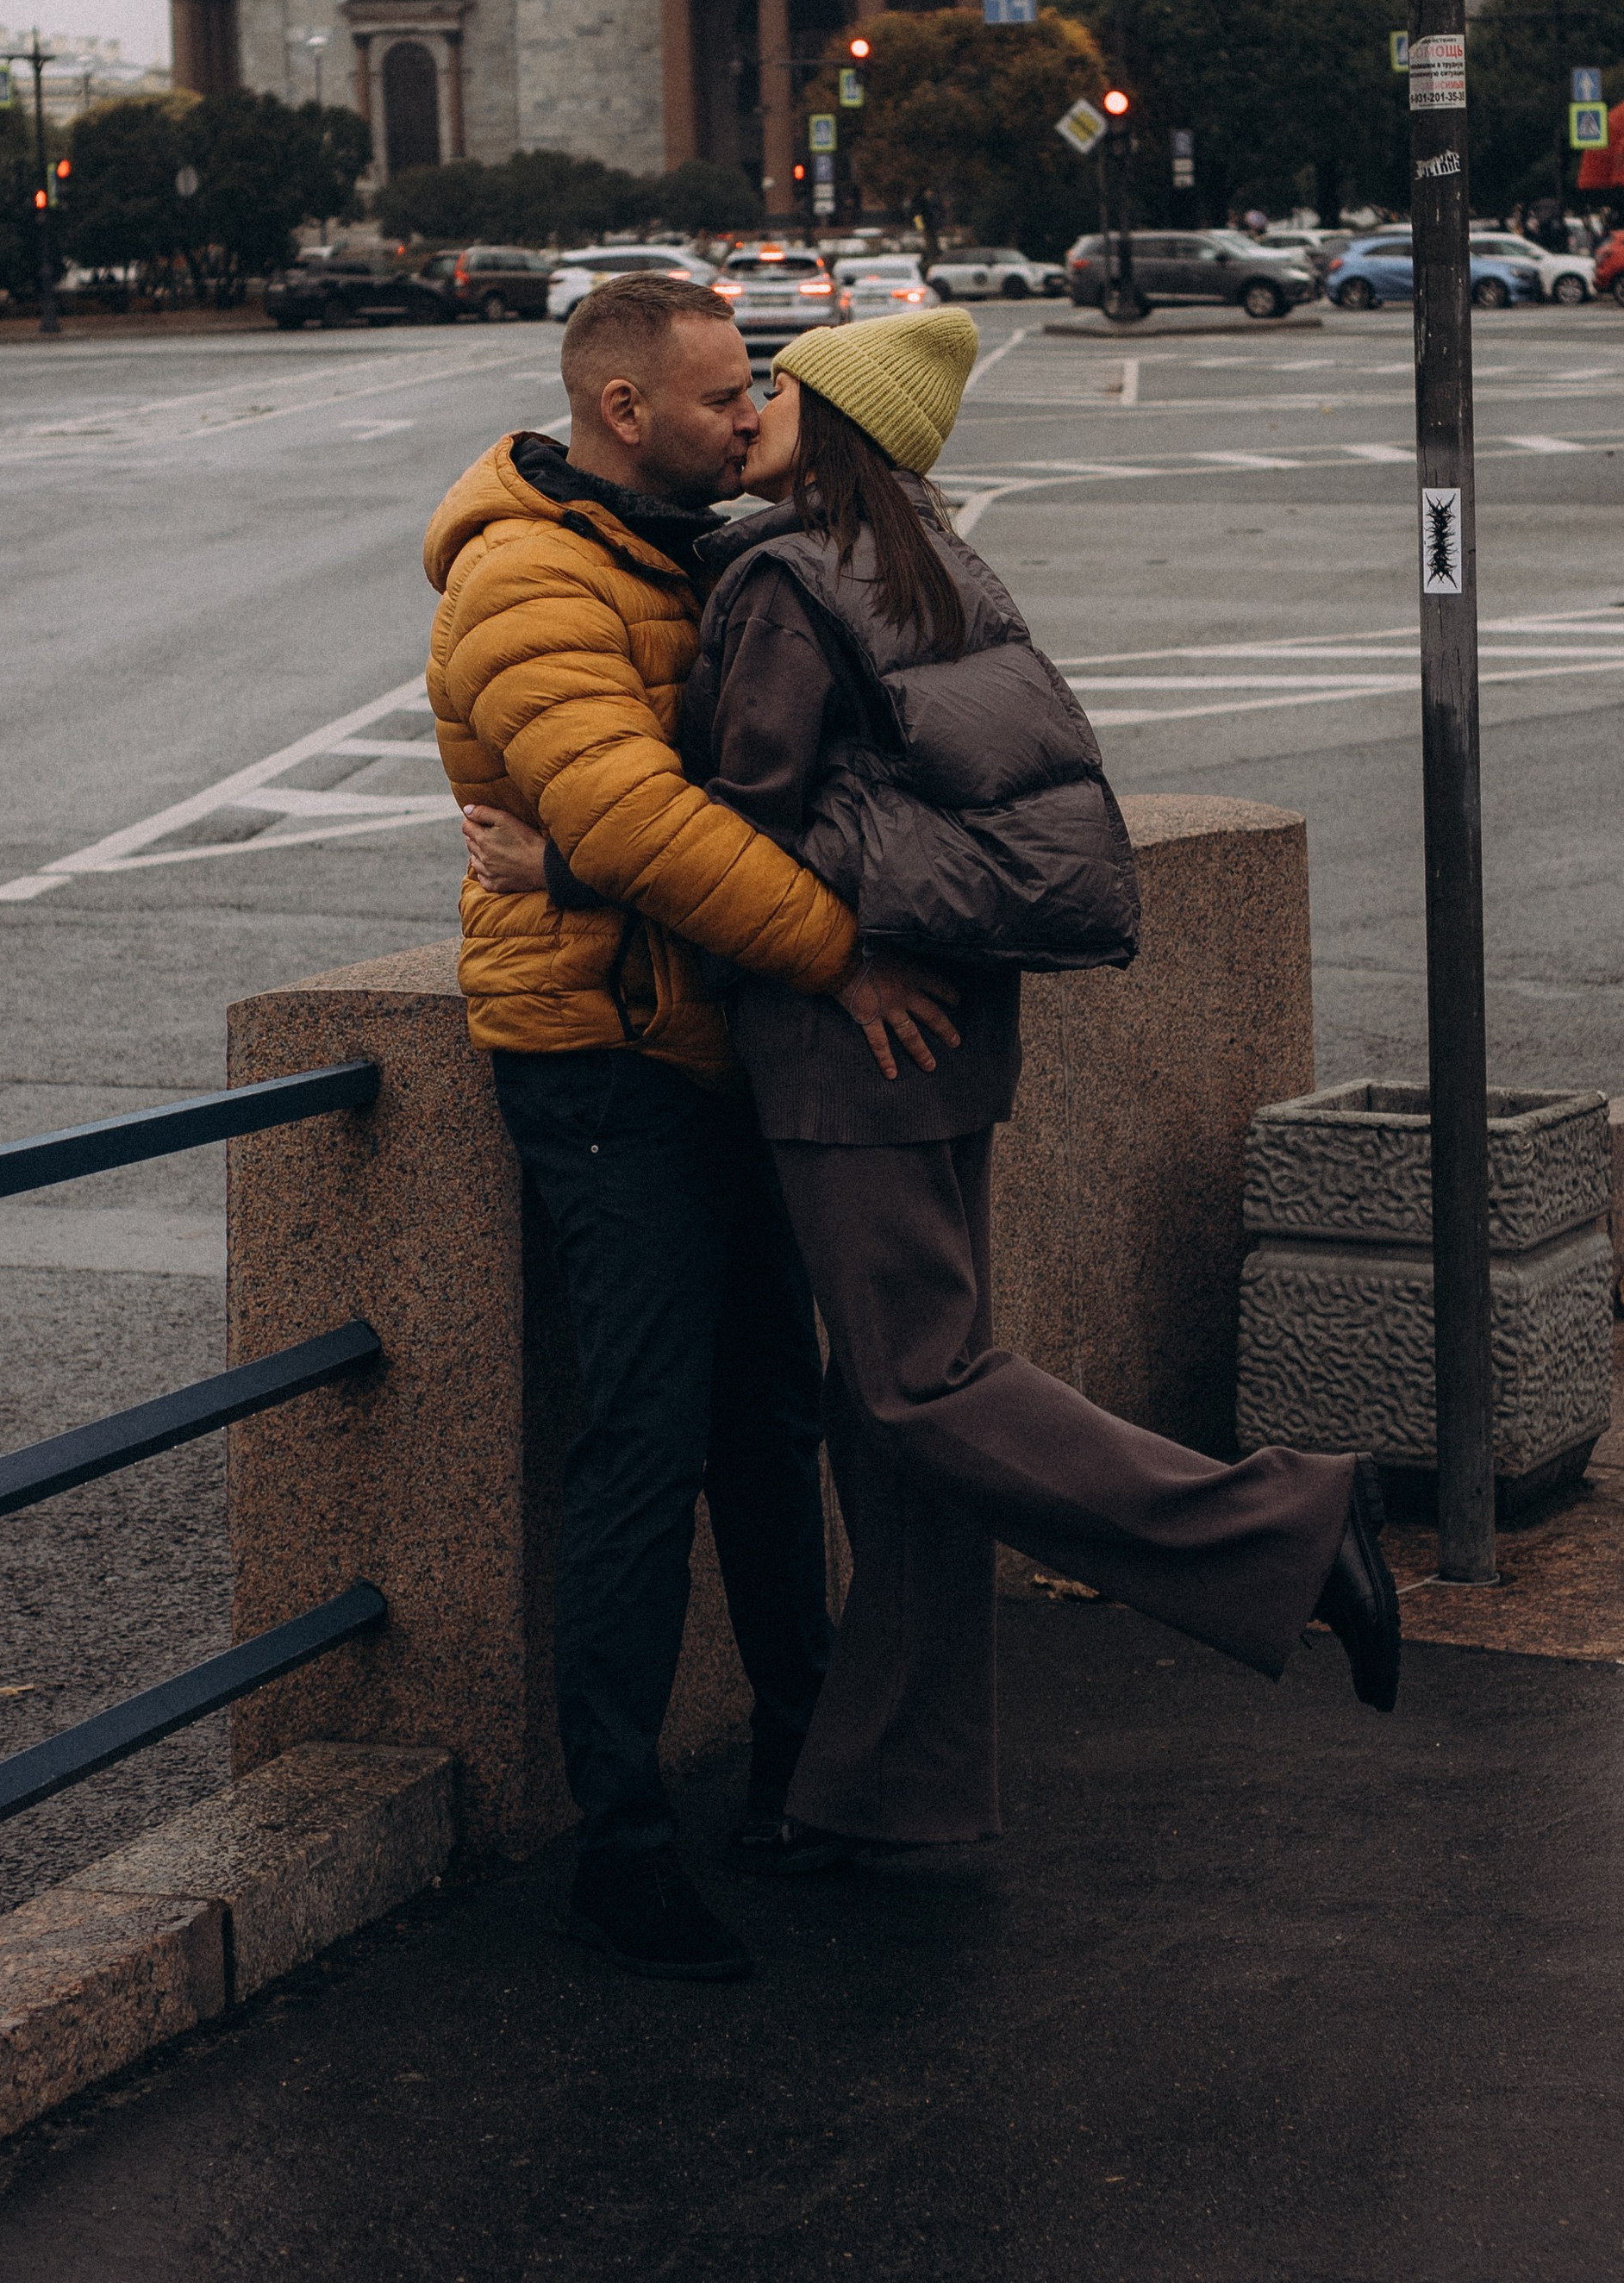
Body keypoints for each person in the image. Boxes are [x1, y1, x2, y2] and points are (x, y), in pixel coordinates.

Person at [476, 305, 1401, 1872]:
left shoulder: (776, 574)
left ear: (830, 424)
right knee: (887, 1416)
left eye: (773, 388)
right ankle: (891, 1780)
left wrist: (565, 857)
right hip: (962, 1021)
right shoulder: (932, 554)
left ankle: (1289, 1532)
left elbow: (745, 821)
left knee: (917, 1388)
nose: (752, 405)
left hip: (854, 1046)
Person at [424, 274, 957, 1985]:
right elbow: (635, 822)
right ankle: (619, 1843)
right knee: (643, 1450)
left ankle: (804, 1775)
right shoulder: (523, 574)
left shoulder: (683, 544)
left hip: (706, 1039)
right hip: (599, 1065)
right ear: (624, 410)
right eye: (728, 397)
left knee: (765, 1419)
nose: (754, 419)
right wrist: (836, 957)